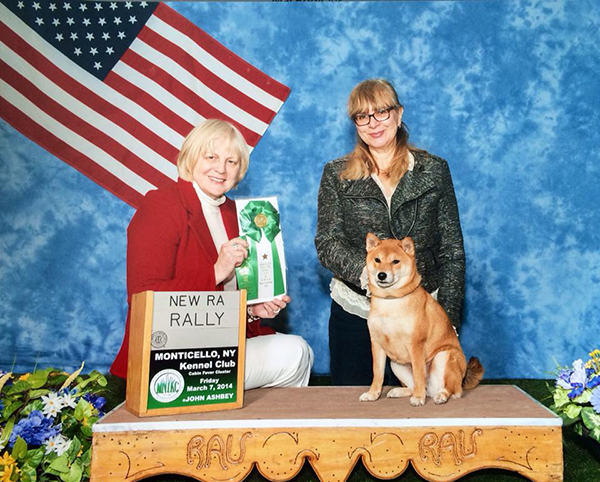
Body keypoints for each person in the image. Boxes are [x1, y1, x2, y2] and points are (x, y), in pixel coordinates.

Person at [111, 119, 313, 388]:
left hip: (217, 347)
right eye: (211, 157)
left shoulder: (235, 213)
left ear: (240, 170)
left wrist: (252, 311)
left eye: (231, 162)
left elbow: (221, 306)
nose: (221, 169)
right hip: (168, 354)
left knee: (299, 352)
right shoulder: (161, 204)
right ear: (191, 157)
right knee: (295, 352)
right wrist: (216, 271)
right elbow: (143, 297)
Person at [315, 78, 465, 386]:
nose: (373, 123)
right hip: (357, 312)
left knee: (423, 406)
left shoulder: (434, 170)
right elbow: (327, 242)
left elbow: (451, 249)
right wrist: (369, 275)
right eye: (362, 116)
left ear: (399, 114)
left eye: (382, 112)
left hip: (421, 314)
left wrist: (448, 321)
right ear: (355, 123)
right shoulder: (336, 173)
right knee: (351, 405)